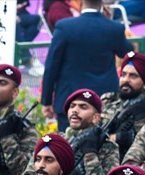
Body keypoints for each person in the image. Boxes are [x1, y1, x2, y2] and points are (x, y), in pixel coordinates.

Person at [40, 0, 132, 132]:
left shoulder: (64, 27)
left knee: (68, 148)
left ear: (81, 2)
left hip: (70, 101)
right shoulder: (114, 28)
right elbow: (128, 53)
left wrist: (46, 100)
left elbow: (51, 67)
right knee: (104, 148)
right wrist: (109, 23)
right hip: (105, 103)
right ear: (102, 4)